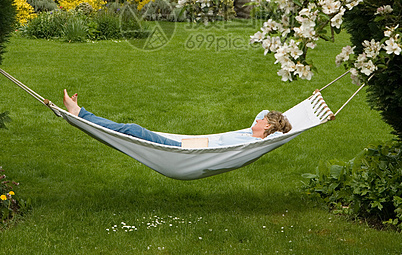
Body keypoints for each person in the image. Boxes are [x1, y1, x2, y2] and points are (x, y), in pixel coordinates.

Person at [63, 90, 292, 148]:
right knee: (131, 129)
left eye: (262, 120)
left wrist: (277, 125)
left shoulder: (250, 142)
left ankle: (81, 114)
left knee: (133, 129)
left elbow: (263, 120)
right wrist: (278, 121)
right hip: (183, 145)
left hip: (183, 150)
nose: (257, 119)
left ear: (268, 126)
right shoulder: (249, 133)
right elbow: (263, 112)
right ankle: (81, 113)